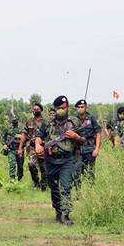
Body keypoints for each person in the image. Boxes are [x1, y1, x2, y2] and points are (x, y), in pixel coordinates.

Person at [35, 95, 84, 225]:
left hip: (67, 160)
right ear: (55, 108)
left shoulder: (74, 122)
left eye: (63, 108)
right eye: (58, 108)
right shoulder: (48, 122)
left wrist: (76, 137)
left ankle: (66, 214)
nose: (61, 110)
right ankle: (58, 210)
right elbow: (40, 136)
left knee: (66, 187)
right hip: (50, 160)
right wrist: (37, 145)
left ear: (67, 107)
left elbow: (84, 140)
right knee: (54, 187)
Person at [73, 99, 102, 185]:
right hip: (78, 150)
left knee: (90, 171)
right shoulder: (73, 120)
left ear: (86, 107)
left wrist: (96, 149)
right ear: (76, 108)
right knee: (77, 171)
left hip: (90, 149)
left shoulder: (92, 119)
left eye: (82, 107)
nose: (80, 108)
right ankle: (79, 192)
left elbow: (98, 134)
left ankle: (90, 191)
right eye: (78, 107)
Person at [20, 103, 47, 191]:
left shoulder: (46, 121)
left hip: (43, 147)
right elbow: (24, 135)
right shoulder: (29, 122)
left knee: (44, 167)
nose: (35, 111)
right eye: (34, 109)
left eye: (37, 109)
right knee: (31, 164)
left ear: (41, 110)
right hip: (32, 147)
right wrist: (20, 148)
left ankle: (44, 185)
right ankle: (36, 182)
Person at [1, 113, 26, 181]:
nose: (15, 121)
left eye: (16, 120)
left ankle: (20, 177)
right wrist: (4, 145)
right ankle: (12, 178)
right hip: (11, 150)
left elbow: (27, 138)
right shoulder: (8, 128)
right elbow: (3, 137)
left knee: (20, 165)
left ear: (18, 120)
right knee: (12, 164)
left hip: (20, 150)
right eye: (13, 120)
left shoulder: (22, 129)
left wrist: (21, 136)